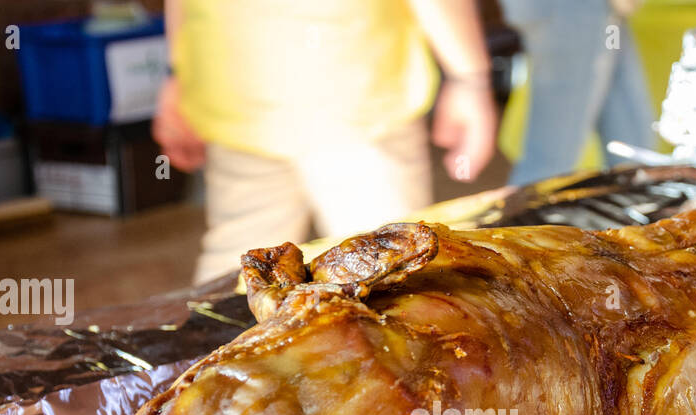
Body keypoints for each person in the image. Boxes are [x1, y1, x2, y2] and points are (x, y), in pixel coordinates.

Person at [154, 0, 498, 285]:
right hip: (356, 101)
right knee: (393, 276)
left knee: (240, 280)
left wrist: (178, 74)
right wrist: (470, 79)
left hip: (241, 102)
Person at [501, 0, 655, 184]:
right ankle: (521, 211)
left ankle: (641, 205)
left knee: (633, 146)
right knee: (549, 164)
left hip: (600, 12)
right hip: (569, 10)